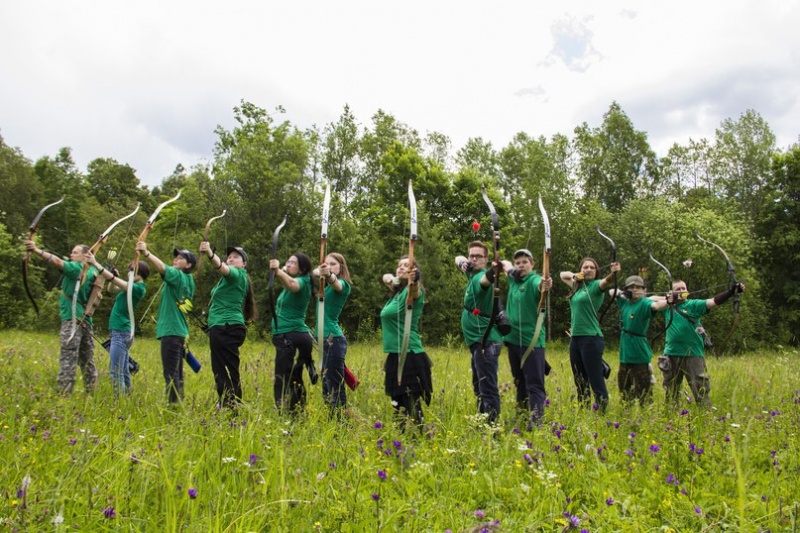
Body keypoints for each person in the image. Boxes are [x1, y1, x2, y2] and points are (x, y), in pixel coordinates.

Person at [24, 240, 98, 394]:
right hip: (85, 320)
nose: (71, 254)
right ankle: (92, 392)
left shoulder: (77, 268)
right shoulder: (92, 271)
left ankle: (64, 394)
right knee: (87, 360)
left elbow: (57, 261)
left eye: (75, 252)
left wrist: (36, 250)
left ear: (85, 255)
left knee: (68, 357)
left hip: (72, 320)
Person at [658, 279, 745, 407]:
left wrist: (731, 292)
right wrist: (667, 299)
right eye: (678, 289)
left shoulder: (694, 305)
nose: (682, 291)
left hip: (693, 354)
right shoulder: (666, 306)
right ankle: (671, 418)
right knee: (671, 391)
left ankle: (705, 417)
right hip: (671, 354)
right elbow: (649, 300)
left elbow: (713, 301)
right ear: (671, 292)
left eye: (684, 288)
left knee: (701, 389)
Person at [559, 257, 621, 413]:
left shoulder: (595, 286)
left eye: (592, 267)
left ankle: (601, 413)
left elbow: (606, 281)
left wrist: (613, 274)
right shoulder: (576, 286)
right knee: (580, 380)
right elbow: (561, 275)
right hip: (575, 339)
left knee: (595, 379)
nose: (588, 269)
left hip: (591, 338)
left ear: (596, 271)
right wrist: (576, 276)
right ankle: (583, 411)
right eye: (585, 267)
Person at [198, 243, 256, 409]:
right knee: (223, 366)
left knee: (223, 367)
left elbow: (221, 267)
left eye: (236, 257)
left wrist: (210, 252)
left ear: (244, 263)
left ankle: (231, 405)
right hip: (224, 326)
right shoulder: (230, 279)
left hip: (226, 326)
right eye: (229, 256)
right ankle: (230, 402)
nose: (231, 258)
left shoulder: (237, 274)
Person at [137, 243, 196, 404]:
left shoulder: (178, 276)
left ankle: (174, 405)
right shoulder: (189, 280)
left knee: (171, 373)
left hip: (171, 331)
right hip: (180, 331)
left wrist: (146, 253)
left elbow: (162, 267)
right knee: (177, 372)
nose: (176, 259)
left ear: (189, 265)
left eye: (181, 258)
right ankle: (178, 401)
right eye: (176, 257)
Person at [85, 251, 149, 396]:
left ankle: (119, 402)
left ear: (139, 272)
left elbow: (115, 282)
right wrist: (114, 276)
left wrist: (95, 264)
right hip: (120, 332)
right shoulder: (131, 285)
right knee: (124, 370)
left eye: (131, 270)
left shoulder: (138, 288)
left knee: (115, 372)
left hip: (121, 332)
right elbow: (111, 288)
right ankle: (127, 397)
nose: (129, 273)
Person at [501, 249, 552, 427]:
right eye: (518, 263)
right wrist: (510, 269)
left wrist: (544, 285)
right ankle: (522, 414)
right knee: (519, 380)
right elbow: (504, 264)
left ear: (533, 264)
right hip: (513, 340)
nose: (521, 265)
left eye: (525, 262)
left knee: (534, 383)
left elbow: (541, 285)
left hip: (532, 341)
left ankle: (536, 421)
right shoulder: (514, 279)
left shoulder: (533, 280)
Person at [380, 256, 431, 430]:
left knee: (411, 402)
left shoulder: (412, 293)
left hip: (409, 353)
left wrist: (413, 281)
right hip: (395, 354)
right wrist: (395, 280)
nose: (402, 267)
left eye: (406, 266)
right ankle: (401, 441)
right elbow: (385, 277)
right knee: (397, 403)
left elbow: (415, 291)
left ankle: (421, 437)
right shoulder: (396, 294)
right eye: (399, 265)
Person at [455, 241, 503, 424]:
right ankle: (482, 421)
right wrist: (462, 262)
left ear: (486, 260)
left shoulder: (480, 277)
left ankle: (491, 428)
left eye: (478, 256)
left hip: (486, 342)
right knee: (479, 385)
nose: (474, 259)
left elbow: (486, 280)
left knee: (487, 387)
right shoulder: (470, 272)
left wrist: (494, 271)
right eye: (471, 256)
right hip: (479, 342)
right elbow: (456, 258)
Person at [613, 275, 672, 406]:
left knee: (644, 397)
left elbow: (657, 306)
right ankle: (627, 421)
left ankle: (646, 421)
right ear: (627, 289)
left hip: (640, 358)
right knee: (625, 396)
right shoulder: (624, 303)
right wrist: (623, 293)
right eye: (631, 287)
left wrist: (669, 301)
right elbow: (612, 292)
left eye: (638, 287)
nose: (634, 289)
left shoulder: (645, 303)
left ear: (643, 290)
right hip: (624, 358)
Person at [269, 252, 315, 413]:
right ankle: (294, 410)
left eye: (293, 263)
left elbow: (292, 284)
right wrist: (282, 271)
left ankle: (286, 410)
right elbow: (288, 282)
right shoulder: (297, 280)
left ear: (302, 267)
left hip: (292, 335)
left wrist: (278, 271)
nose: (289, 264)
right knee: (290, 376)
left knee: (285, 376)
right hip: (287, 335)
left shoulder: (303, 281)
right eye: (288, 261)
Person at [316, 253, 352, 412]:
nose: (329, 266)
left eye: (333, 264)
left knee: (333, 384)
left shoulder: (344, 285)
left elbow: (336, 283)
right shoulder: (324, 288)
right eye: (326, 263)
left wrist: (328, 274)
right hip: (323, 339)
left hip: (333, 339)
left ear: (341, 267)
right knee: (327, 384)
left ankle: (341, 423)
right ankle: (337, 421)